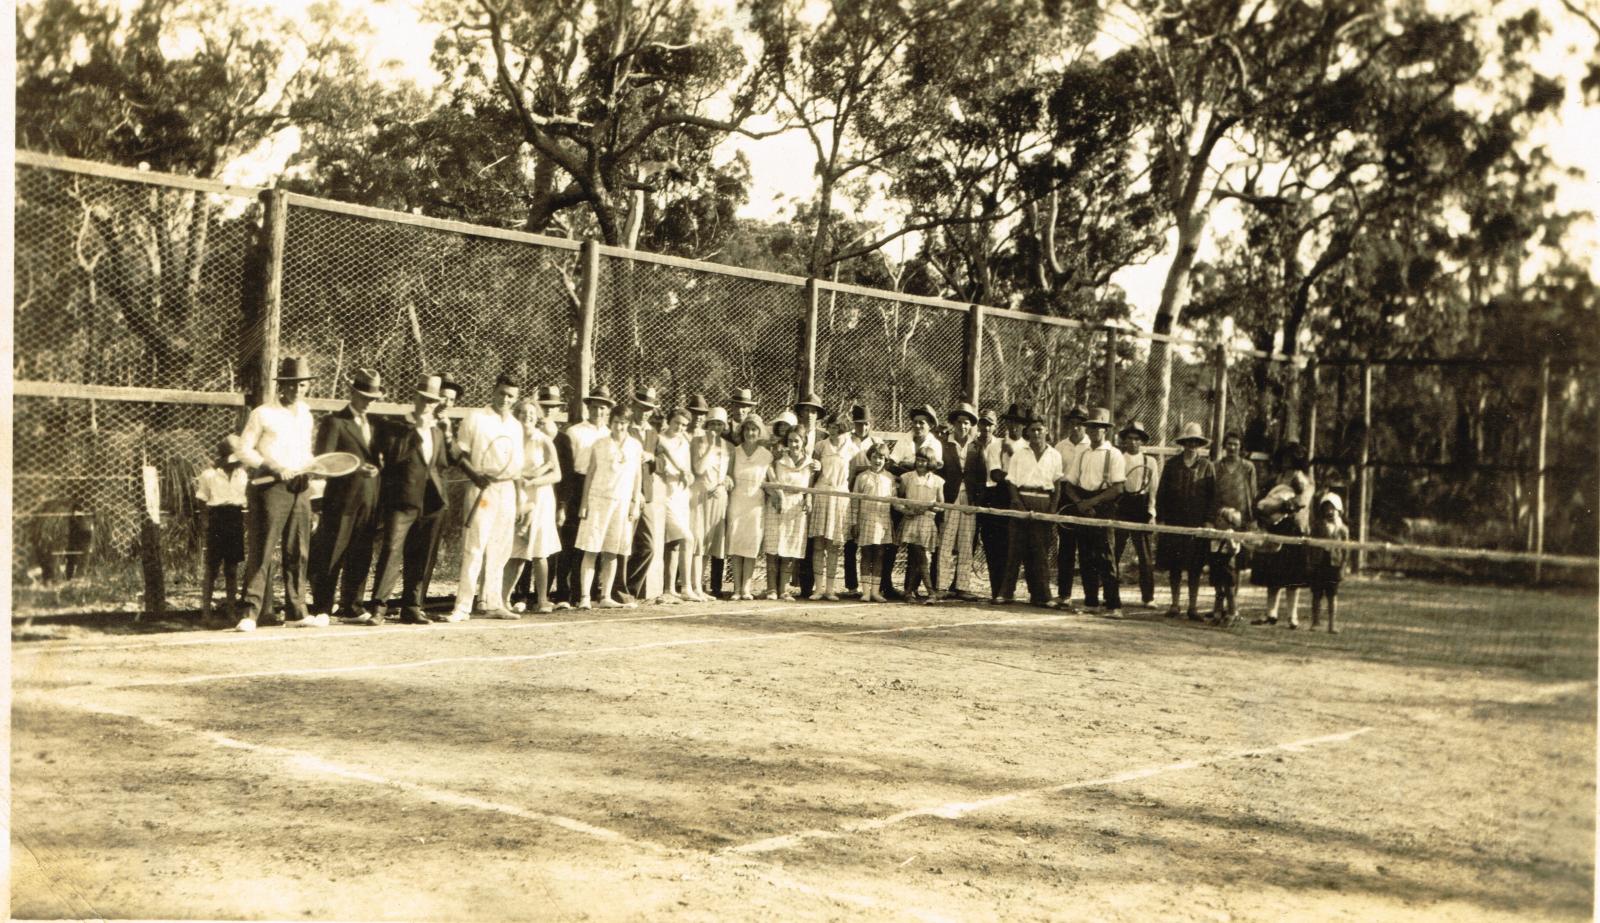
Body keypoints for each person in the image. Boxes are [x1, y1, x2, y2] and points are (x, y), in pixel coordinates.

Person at [232, 356, 318, 632]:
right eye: (292, 384)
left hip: (300, 487)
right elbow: (243, 450)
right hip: (270, 488)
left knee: (299, 550)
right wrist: (272, 465)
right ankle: (249, 613)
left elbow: (305, 451)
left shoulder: (306, 413)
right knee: (263, 549)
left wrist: (310, 468)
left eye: (302, 385)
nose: (297, 390)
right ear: (282, 386)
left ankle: (296, 611)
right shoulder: (263, 413)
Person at [366, 376, 452, 625]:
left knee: (422, 555)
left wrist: (446, 436)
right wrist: (417, 431)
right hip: (401, 500)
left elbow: (444, 463)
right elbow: (394, 457)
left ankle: (412, 606)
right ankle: (379, 607)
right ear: (415, 399)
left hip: (432, 502)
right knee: (392, 551)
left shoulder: (437, 430)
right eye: (424, 399)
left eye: (432, 401)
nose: (427, 405)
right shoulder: (396, 427)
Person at [449, 374, 526, 622]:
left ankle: (493, 603)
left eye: (511, 396)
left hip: (507, 492)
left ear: (516, 399)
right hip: (482, 490)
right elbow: (458, 453)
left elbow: (517, 467)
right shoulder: (475, 418)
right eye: (502, 393)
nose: (505, 399)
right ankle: (462, 606)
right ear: (493, 391)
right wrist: (475, 475)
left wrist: (520, 497)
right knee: (475, 547)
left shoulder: (515, 425)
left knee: (501, 548)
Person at [312, 368, 386, 623]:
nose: (368, 402)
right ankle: (322, 607)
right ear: (352, 393)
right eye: (364, 396)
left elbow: (378, 459)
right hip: (341, 500)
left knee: (361, 553)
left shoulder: (376, 425)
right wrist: (356, 471)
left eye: (373, 398)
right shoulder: (334, 422)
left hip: (369, 499)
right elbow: (323, 462)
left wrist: (378, 468)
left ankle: (352, 606)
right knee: (332, 552)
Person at [575, 412, 644, 609]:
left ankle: (605, 595)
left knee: (612, 551)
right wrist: (584, 503)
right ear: (610, 422)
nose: (619, 427)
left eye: (623, 423)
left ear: (628, 423)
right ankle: (585, 597)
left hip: (621, 503)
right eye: (615, 422)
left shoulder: (635, 445)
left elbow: (637, 476)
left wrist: (634, 501)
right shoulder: (599, 444)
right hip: (598, 501)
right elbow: (590, 474)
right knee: (591, 549)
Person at [554, 385, 615, 608]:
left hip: (601, 489)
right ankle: (562, 593)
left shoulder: (610, 434)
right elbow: (568, 468)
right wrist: (565, 499)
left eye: (603, 408)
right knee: (569, 540)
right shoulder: (575, 431)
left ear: (608, 411)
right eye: (595, 407)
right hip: (577, 486)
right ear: (588, 407)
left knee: (592, 542)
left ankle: (585, 593)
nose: (599, 412)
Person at [1061, 407, 1124, 617]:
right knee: (1086, 556)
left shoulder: (1114, 454)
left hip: (1104, 507)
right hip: (1084, 506)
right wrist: (1080, 503)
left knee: (1106, 557)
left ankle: (1114, 605)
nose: (1095, 431)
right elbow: (1069, 484)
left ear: (1105, 430)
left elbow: (1117, 488)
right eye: (1092, 427)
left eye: (1099, 427)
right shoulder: (1082, 453)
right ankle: (1091, 602)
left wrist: (1093, 502)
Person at [503, 398, 563, 615]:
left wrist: (533, 481)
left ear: (536, 417)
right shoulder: (511, 438)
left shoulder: (544, 440)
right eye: (522, 413)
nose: (526, 417)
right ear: (516, 416)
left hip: (541, 498)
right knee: (515, 551)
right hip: (517, 497)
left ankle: (542, 600)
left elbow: (557, 474)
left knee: (539, 551)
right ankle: (503, 599)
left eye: (531, 414)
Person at [998, 410, 1061, 607]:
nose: (1036, 434)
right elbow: (1011, 482)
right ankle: (1006, 593)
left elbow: (1058, 485)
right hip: (1021, 502)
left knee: (1040, 551)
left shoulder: (1055, 455)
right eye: (1032, 430)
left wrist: (1052, 508)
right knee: (1015, 550)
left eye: (1039, 430)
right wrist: (1016, 501)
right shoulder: (1019, 454)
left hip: (1043, 502)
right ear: (1028, 432)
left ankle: (1043, 596)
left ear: (1046, 431)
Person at [1155, 422, 1216, 621]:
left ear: (1199, 444)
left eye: (1196, 442)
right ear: (1184, 443)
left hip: (1197, 523)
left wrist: (1208, 520)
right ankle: (1175, 604)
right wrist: (1161, 519)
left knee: (1195, 567)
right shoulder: (1172, 465)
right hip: (1174, 521)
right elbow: (1161, 494)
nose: (1192, 445)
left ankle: (1193, 606)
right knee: (1175, 565)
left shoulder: (1207, 466)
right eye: (1189, 441)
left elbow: (1212, 498)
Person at [1252, 442, 1315, 628]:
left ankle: (1292, 616)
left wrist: (1277, 507)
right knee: (1273, 574)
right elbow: (1260, 500)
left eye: (1292, 456)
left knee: (1293, 575)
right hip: (1275, 528)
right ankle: (1271, 613)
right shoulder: (1276, 478)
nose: (1288, 460)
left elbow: (1301, 502)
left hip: (1295, 528)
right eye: (1285, 456)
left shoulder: (1305, 480)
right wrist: (1264, 510)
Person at [885, 404, 945, 599]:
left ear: (930, 426)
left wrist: (908, 464)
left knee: (920, 552)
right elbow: (893, 464)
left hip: (925, 509)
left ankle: (916, 589)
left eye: (922, 423)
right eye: (916, 422)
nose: (918, 426)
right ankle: (889, 586)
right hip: (906, 502)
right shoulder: (905, 439)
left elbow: (935, 467)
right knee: (895, 546)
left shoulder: (935, 443)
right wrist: (908, 470)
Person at [419, 372, 465, 605]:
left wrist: (448, 433)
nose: (446, 403)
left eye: (452, 400)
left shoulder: (446, 427)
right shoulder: (417, 420)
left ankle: (417, 602)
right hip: (412, 494)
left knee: (429, 550)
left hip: (436, 495)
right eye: (443, 397)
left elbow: (454, 459)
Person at [195, 438, 248, 627]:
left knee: (232, 569)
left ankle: (231, 612)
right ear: (223, 456)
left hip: (235, 518)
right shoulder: (209, 475)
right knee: (212, 567)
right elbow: (202, 499)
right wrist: (205, 522)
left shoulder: (243, 474)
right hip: (217, 518)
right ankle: (206, 612)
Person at [807, 411, 856, 601]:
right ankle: (818, 589)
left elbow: (853, 476)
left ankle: (830, 589)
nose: (834, 431)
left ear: (844, 428)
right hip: (821, 495)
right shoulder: (820, 446)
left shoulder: (853, 449)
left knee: (834, 546)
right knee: (819, 544)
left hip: (840, 497)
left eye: (838, 427)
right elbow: (812, 474)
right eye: (831, 427)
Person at [937, 402, 982, 601]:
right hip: (949, 498)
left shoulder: (976, 446)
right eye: (960, 422)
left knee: (965, 543)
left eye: (967, 423)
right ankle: (941, 586)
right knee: (946, 542)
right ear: (954, 424)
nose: (963, 426)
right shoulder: (943, 444)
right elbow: (939, 472)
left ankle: (962, 586)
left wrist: (975, 501)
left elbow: (981, 476)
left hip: (968, 499)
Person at [982, 405, 1027, 602]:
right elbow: (995, 474)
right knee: (995, 545)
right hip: (998, 496)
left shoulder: (1028, 447)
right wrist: (1014, 475)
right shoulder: (995, 446)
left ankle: (1009, 591)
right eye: (1010, 422)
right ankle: (997, 590)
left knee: (1016, 545)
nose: (1013, 426)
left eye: (1017, 423)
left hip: (1021, 497)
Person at [763, 427, 813, 600]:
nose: (793, 444)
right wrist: (777, 497)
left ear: (803, 442)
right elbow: (769, 482)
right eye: (790, 440)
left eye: (797, 441)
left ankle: (783, 589)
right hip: (777, 504)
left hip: (797, 508)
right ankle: (771, 589)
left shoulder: (810, 463)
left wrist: (808, 498)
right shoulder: (778, 460)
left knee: (790, 548)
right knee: (773, 547)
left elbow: (810, 488)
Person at [1112, 421, 1158, 609]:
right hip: (1122, 506)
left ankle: (1148, 598)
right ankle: (1111, 595)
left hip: (1141, 508)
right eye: (1129, 438)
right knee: (1115, 552)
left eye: (1136, 439)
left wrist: (1151, 512)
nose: (1133, 442)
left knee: (1145, 557)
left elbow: (1153, 490)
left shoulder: (1151, 462)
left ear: (1142, 442)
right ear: (1124, 441)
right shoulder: (1118, 458)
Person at [725, 415, 772, 599]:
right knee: (736, 545)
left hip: (756, 504)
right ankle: (736, 589)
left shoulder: (766, 455)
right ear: (742, 431)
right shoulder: (734, 452)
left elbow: (772, 479)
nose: (750, 433)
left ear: (759, 432)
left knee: (751, 546)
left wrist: (780, 496)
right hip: (737, 502)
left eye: (754, 429)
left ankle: (746, 589)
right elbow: (728, 475)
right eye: (747, 429)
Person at [690, 407, 732, 602]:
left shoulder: (728, 447)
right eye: (713, 423)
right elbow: (698, 469)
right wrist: (710, 446)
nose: (715, 427)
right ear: (707, 424)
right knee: (697, 540)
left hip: (719, 497)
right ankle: (692, 585)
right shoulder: (698, 442)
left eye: (719, 424)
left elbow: (728, 474)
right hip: (699, 495)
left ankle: (700, 584)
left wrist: (723, 483)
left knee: (709, 542)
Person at [655, 407, 695, 603]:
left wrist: (688, 475)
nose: (680, 427)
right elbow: (660, 469)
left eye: (684, 424)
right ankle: (686, 586)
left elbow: (687, 468)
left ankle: (670, 588)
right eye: (677, 423)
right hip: (665, 494)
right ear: (669, 421)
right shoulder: (659, 439)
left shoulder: (685, 441)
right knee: (686, 537)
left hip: (682, 495)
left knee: (674, 544)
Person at [625, 386, 661, 601]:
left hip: (646, 496)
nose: (645, 412)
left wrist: (651, 457)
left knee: (648, 546)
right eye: (641, 407)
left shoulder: (652, 433)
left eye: (649, 408)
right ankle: (610, 590)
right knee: (621, 544)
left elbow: (662, 462)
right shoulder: (624, 428)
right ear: (634, 406)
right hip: (625, 494)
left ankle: (630, 590)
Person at [849, 443, 897, 603]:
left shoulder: (890, 478)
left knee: (879, 554)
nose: (878, 460)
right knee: (866, 554)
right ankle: (866, 592)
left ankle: (876, 592)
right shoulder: (862, 477)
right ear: (870, 458)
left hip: (882, 521)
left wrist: (908, 509)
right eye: (875, 457)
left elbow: (895, 501)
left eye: (881, 457)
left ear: (886, 459)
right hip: (866, 519)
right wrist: (854, 522)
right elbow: (855, 501)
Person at [897, 443, 944, 603]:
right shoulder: (907, 478)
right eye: (918, 460)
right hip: (911, 521)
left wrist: (930, 508)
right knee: (919, 556)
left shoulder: (938, 481)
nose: (920, 463)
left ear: (930, 462)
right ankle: (930, 593)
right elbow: (899, 499)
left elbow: (941, 505)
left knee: (920, 558)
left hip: (927, 522)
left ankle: (909, 591)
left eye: (924, 460)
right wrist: (907, 510)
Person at [841, 404, 880, 597]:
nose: (862, 428)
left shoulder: (875, 442)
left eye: (866, 424)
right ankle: (851, 585)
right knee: (850, 541)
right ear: (853, 424)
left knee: (871, 544)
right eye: (859, 424)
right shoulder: (846, 440)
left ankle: (876, 584)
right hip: (847, 492)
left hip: (869, 496)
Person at [1053, 405, 1090, 605]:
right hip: (1065, 498)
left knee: (1086, 549)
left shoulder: (1091, 445)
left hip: (1086, 496)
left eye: (1080, 424)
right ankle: (1064, 594)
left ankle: (1088, 596)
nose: (1076, 428)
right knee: (1066, 548)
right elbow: (1058, 478)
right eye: (1072, 424)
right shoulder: (1060, 446)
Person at [792, 391, 826, 596]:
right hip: (796, 487)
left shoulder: (824, 437)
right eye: (807, 410)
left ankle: (809, 585)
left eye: (814, 411)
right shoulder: (794, 434)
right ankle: (787, 583)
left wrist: (820, 466)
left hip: (817, 490)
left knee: (814, 538)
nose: (810, 415)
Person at [1308, 491, 1349, 633]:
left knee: (1332, 595)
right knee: (1317, 594)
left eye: (1332, 508)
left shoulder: (1343, 529)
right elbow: (1310, 545)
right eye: (1326, 508)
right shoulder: (1317, 526)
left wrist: (1343, 566)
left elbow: (1346, 550)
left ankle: (1332, 624)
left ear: (1339, 510)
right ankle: (1315, 622)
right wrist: (1311, 562)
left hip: (1334, 564)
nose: (1329, 511)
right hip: (1319, 562)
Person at [1208, 507, 1244, 627]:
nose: (1218, 522)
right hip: (1216, 565)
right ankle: (1217, 614)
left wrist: (1229, 539)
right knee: (1218, 591)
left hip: (1227, 566)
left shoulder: (1234, 535)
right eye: (1218, 520)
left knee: (1229, 592)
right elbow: (1212, 549)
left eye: (1222, 520)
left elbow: (1234, 551)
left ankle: (1232, 614)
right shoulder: (1214, 534)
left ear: (1230, 523)